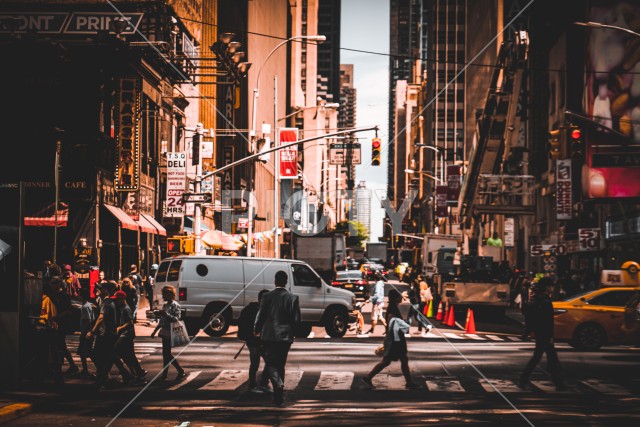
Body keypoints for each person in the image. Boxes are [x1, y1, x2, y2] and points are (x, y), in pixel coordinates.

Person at [254, 271, 301, 406]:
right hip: (285, 336)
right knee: (281, 363)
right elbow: (297, 319)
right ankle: (278, 395)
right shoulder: (293, 298)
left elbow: (261, 314)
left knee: (271, 364)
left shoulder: (267, 296)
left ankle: (278, 386)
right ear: (286, 281)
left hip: (269, 335)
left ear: (275, 281)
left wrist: (256, 329)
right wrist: (293, 330)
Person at [361, 289, 420, 390]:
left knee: (400, 359)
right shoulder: (393, 308)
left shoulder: (393, 307)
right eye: (400, 296)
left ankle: (409, 382)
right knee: (388, 360)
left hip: (395, 337)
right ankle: (368, 377)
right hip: (395, 338)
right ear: (397, 298)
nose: (402, 297)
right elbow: (391, 320)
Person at [519, 277, 566, 391]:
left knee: (547, 358)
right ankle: (558, 383)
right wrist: (550, 336)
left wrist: (528, 331)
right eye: (551, 286)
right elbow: (547, 320)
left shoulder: (537, 300)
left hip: (540, 332)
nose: (552, 288)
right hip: (545, 333)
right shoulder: (545, 301)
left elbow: (532, 317)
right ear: (547, 287)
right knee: (545, 358)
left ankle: (558, 383)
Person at [88, 281, 133, 390]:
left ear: (106, 290)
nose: (98, 290)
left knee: (98, 355)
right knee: (110, 356)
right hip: (110, 333)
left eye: (101, 288)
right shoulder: (111, 302)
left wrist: (92, 331)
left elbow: (101, 317)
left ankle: (102, 379)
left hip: (106, 334)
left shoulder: (107, 302)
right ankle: (124, 375)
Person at [237, 289, 270, 393]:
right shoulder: (258, 311)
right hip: (256, 342)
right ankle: (256, 384)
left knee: (259, 363)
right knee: (261, 363)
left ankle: (259, 383)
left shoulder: (251, 309)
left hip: (254, 341)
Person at [151, 286, 186, 381]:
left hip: (172, 331)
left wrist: (166, 314)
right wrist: (155, 330)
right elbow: (162, 321)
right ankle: (168, 374)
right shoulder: (165, 305)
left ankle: (178, 371)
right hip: (165, 331)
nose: (163, 297)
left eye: (164, 294)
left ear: (169, 294)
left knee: (167, 354)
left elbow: (177, 318)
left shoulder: (176, 305)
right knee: (166, 354)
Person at [114, 290, 147, 384]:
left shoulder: (126, 308)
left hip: (127, 335)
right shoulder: (122, 308)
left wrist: (120, 328)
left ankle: (138, 373)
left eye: (118, 299)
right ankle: (137, 373)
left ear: (122, 299)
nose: (116, 301)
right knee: (128, 355)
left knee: (118, 353)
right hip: (125, 335)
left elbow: (130, 322)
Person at [50, 277, 79, 375]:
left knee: (60, 345)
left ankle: (71, 366)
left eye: (53, 283)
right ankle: (63, 365)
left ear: (58, 284)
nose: (51, 285)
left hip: (61, 324)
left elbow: (68, 310)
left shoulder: (64, 295)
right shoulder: (53, 294)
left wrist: (56, 317)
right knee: (59, 344)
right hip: (55, 322)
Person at [77, 288, 97, 378]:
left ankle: (98, 369)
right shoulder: (88, 305)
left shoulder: (85, 307)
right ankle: (85, 370)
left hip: (86, 332)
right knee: (84, 352)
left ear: (82, 296)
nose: (78, 296)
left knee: (87, 352)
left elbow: (88, 320)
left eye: (79, 294)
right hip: (87, 332)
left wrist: (85, 332)